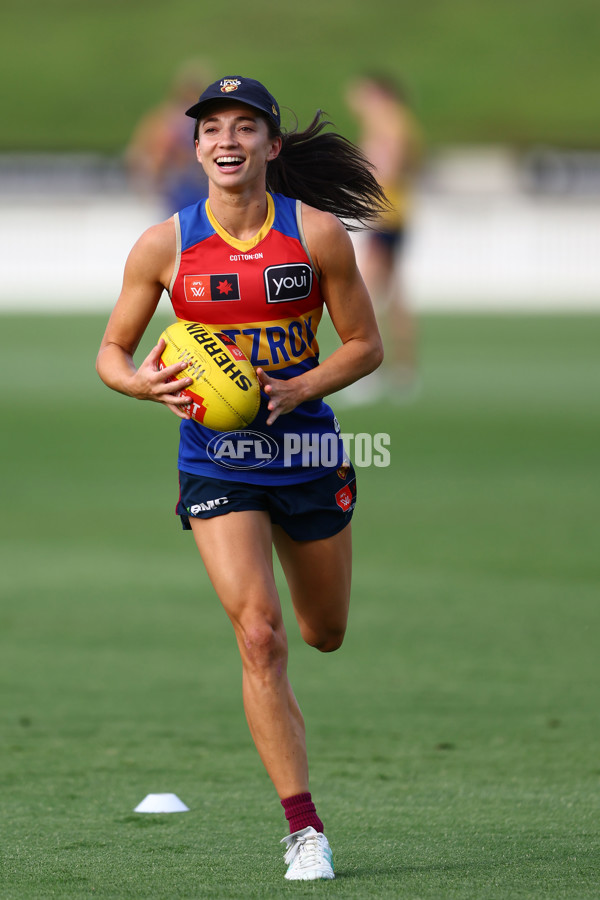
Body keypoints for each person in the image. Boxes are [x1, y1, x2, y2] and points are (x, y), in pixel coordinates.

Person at [97, 75, 386, 881]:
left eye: (245, 127)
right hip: (215, 460)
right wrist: (142, 384)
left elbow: (365, 345)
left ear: (272, 145)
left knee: (322, 632)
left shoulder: (319, 235)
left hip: (304, 454)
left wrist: (299, 387)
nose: (227, 140)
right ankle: (304, 829)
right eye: (212, 128)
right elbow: (112, 353)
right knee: (259, 635)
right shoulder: (164, 245)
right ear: (196, 149)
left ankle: (314, 592)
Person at [345, 73, 422, 398]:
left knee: (364, 292)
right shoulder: (402, 122)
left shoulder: (386, 123)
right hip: (397, 213)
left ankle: (366, 371)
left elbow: (387, 168)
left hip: (385, 215)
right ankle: (405, 372)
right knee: (394, 294)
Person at [125, 59, 213, 215]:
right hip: (187, 187)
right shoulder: (175, 119)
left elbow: (140, 155)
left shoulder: (168, 117)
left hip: (187, 187)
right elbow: (159, 153)